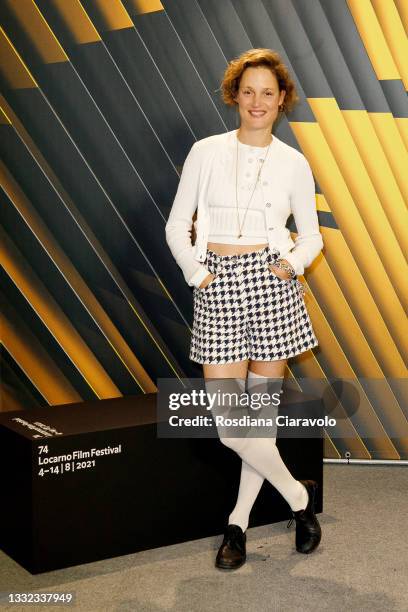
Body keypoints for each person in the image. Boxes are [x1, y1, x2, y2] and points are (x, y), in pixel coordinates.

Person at [165, 48, 323, 570]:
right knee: (232, 426)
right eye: (248, 91)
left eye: (268, 93)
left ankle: (237, 523)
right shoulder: (205, 151)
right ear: (235, 95)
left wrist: (292, 264)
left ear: (282, 102)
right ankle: (299, 499)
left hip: (270, 285)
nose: (257, 102)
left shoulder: (293, 162)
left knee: (259, 425)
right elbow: (176, 225)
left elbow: (313, 236)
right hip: (218, 284)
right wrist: (199, 273)